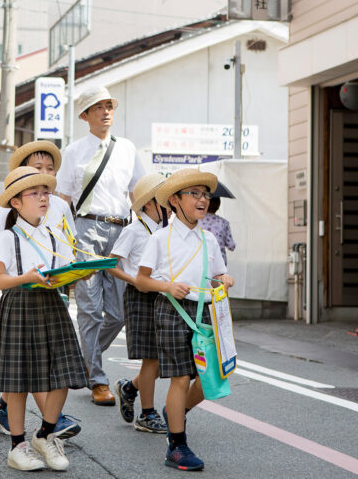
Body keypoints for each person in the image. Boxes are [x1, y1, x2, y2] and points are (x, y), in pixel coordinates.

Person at [0, 166, 88, 471]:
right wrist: (26, 277)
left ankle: (44, 434)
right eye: (35, 193)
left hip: (51, 304)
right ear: (16, 202)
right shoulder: (8, 236)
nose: (44, 198)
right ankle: (17, 446)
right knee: (18, 382)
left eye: (45, 192)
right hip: (19, 304)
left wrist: (77, 273)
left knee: (65, 373)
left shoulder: (53, 233)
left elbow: (63, 272)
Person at [135, 168, 234, 471]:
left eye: (205, 194)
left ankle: (176, 411)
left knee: (212, 376)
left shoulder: (210, 239)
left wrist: (224, 279)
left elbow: (216, 275)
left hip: (205, 311)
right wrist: (167, 286)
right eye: (194, 194)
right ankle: (177, 445)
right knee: (180, 377)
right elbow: (141, 281)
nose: (203, 200)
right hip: (171, 309)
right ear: (175, 200)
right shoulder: (160, 239)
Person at [55, 85, 146, 406]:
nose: (106, 111)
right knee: (90, 309)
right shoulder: (73, 151)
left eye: (109, 106)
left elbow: (139, 196)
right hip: (85, 229)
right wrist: (61, 239)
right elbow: (63, 198)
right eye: (98, 107)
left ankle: (84, 358)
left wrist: (149, 233)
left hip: (121, 232)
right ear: (85, 116)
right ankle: (97, 380)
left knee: (120, 313)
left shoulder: (128, 149)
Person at [109, 173, 170, 434]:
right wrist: (133, 279)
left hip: (162, 295)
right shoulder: (133, 230)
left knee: (163, 358)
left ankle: (129, 388)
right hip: (140, 296)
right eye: (162, 200)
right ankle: (147, 413)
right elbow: (111, 263)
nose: (167, 205)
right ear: (147, 203)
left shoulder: (167, 231)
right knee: (151, 359)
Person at [198, 196, 236, 265]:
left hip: (201, 260)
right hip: (219, 262)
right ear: (218, 206)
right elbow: (231, 246)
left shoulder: (197, 221)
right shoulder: (224, 222)